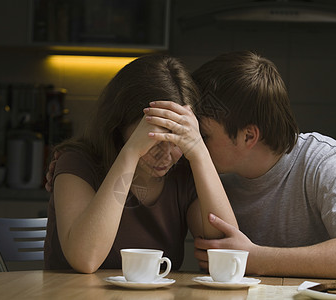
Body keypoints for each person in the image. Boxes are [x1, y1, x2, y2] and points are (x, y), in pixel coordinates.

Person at [182, 50, 336, 278]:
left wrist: (254, 257)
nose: (194, 142)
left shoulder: (325, 161)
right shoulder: (202, 168)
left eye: (204, 135)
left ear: (248, 136)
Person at [43, 54, 238, 273]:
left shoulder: (184, 173)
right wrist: (131, 153)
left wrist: (199, 152)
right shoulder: (77, 163)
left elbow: (228, 254)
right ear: (120, 124)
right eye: (153, 138)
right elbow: (86, 260)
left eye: (177, 140)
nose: (165, 156)